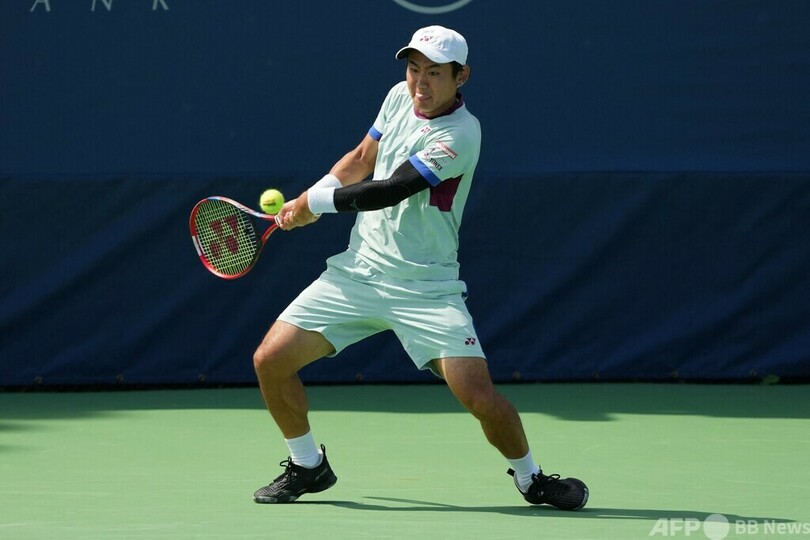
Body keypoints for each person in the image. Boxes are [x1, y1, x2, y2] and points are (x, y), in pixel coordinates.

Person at [251, 25, 589, 511]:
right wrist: (314, 194)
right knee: (270, 361)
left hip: (427, 287)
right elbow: (362, 158)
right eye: (414, 69)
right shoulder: (397, 97)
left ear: (461, 76)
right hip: (357, 272)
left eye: (434, 73)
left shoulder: (462, 133)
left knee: (480, 398)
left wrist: (314, 205)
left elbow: (390, 189)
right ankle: (308, 466)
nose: (420, 83)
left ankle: (531, 479)